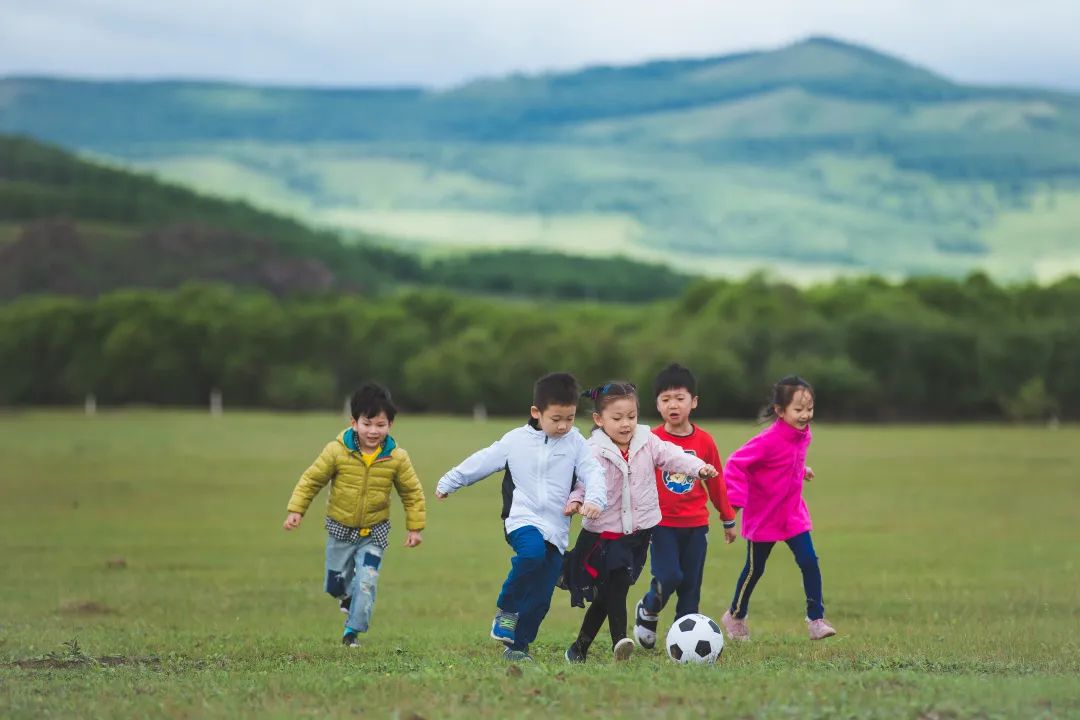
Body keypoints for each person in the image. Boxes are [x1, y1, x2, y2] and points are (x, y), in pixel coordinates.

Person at [435, 372, 606, 662]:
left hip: (556, 528)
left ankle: (518, 647)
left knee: (541, 595)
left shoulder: (576, 442)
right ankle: (507, 609)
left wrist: (594, 499)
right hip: (521, 518)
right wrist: (450, 481)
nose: (564, 425)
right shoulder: (515, 440)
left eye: (570, 418)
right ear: (536, 413)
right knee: (531, 555)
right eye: (557, 419)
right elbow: (483, 461)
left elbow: (593, 472)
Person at [563, 381, 719, 663]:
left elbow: (673, 457)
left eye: (631, 417)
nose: (626, 424)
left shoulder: (647, 441)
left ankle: (578, 648)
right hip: (602, 536)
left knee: (605, 596)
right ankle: (619, 641)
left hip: (636, 533)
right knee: (618, 584)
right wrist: (577, 501)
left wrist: (698, 468)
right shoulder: (592, 451)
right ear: (599, 420)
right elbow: (581, 483)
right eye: (617, 418)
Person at [282, 382, 426, 648]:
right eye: (367, 423)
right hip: (340, 529)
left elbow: (412, 493)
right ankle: (345, 599)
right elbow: (312, 480)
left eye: (380, 425)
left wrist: (415, 528)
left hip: (374, 531)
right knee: (334, 584)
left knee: (367, 582)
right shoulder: (336, 451)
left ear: (390, 425)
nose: (373, 431)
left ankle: (352, 633)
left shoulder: (397, 457)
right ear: (354, 422)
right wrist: (296, 510)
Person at [720, 375, 837, 642]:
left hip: (793, 514)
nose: (805, 415)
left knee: (810, 562)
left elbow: (786, 461)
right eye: (798, 410)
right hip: (764, 516)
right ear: (780, 411)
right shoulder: (767, 440)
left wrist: (800, 470)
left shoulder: (803, 435)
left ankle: (816, 619)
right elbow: (736, 463)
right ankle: (735, 615)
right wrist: (736, 501)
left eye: (809, 409)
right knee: (754, 569)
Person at [632, 363, 738, 650]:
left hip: (695, 525)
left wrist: (727, 518)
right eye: (665, 400)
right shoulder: (650, 440)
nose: (673, 405)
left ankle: (684, 645)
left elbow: (716, 483)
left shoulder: (704, 441)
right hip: (661, 524)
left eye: (679, 398)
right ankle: (648, 608)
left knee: (690, 588)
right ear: (657, 404)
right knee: (669, 576)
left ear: (694, 402)